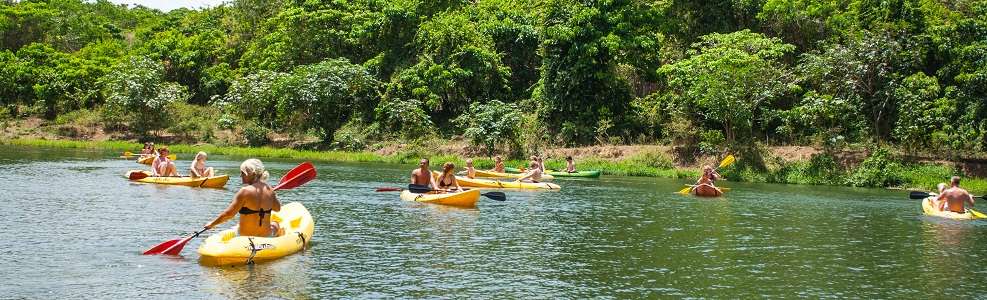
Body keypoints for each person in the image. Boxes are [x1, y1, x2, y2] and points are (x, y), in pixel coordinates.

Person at [204, 159, 282, 237]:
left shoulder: (244, 191)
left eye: (243, 173)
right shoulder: (270, 190)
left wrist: (212, 224)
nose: (240, 175)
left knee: (238, 226)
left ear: (253, 174)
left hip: (244, 236)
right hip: (266, 236)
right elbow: (277, 208)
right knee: (275, 223)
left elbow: (228, 214)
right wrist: (272, 195)